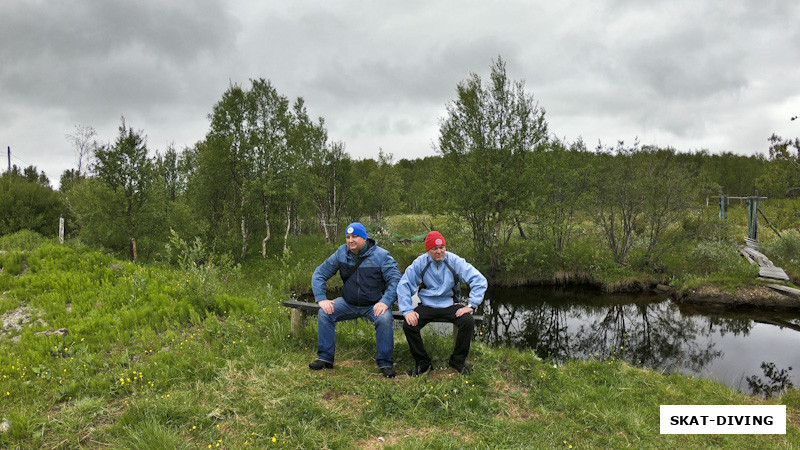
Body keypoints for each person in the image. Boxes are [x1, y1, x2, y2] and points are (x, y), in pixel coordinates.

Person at [309, 222, 401, 378]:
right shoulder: (341, 253)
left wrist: (385, 301)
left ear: (364, 238)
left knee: (384, 319)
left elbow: (395, 281)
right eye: (347, 237)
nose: (350, 240)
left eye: (355, 236)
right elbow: (319, 274)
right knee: (324, 313)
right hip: (348, 303)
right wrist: (321, 298)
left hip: (374, 304)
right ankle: (325, 358)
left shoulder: (381, 255)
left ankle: (385, 363)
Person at [398, 231, 488, 376]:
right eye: (434, 249)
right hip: (427, 305)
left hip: (450, 304)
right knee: (409, 325)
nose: (439, 252)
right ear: (428, 250)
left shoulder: (454, 261)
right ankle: (423, 363)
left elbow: (479, 280)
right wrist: (407, 310)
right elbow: (404, 285)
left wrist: (471, 305)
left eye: (442, 247)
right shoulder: (420, 263)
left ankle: (457, 361)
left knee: (467, 321)